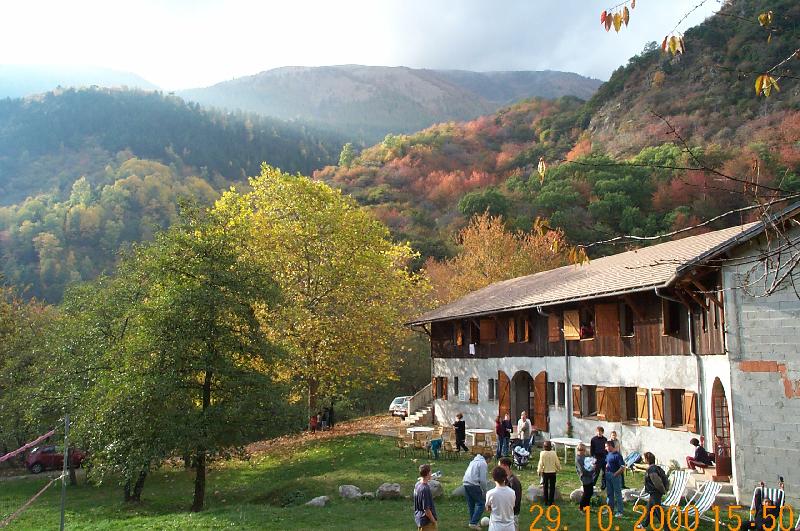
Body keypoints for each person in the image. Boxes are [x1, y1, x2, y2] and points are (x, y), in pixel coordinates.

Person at [638, 452, 669, 529]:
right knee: (649, 509)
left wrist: (662, 490)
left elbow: (657, 482)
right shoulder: (656, 468)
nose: (643, 460)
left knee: (658, 511)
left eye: (644, 458)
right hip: (654, 493)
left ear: (647, 459)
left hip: (656, 492)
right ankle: (644, 524)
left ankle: (667, 528)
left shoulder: (652, 470)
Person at [463, 452, 491, 529]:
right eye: (489, 461)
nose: (489, 463)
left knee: (471, 504)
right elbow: (482, 480)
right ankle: (473, 522)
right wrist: (485, 491)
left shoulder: (473, 461)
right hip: (473, 484)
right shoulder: (483, 463)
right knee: (481, 504)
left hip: (466, 483)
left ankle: (472, 522)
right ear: (488, 459)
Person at [485, 465, 516, 531]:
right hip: (510, 526)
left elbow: (488, 508)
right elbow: (512, 506)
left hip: (495, 526)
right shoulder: (512, 492)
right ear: (505, 477)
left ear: (493, 479)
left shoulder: (490, 493)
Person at [499, 457, 522, 531]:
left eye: (499, 466)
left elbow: (516, 500)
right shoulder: (506, 479)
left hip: (512, 514)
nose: (498, 468)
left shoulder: (514, 482)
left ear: (505, 466)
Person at [414, 463, 438, 530]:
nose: (431, 473)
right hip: (427, 522)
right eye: (431, 471)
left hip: (419, 519)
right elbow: (426, 509)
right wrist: (434, 521)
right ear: (428, 473)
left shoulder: (417, 484)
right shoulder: (425, 489)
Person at [537, 440, 561, 506]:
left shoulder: (542, 453)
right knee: (552, 487)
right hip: (553, 472)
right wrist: (559, 468)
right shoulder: (553, 453)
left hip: (545, 472)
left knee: (545, 487)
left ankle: (545, 501)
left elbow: (540, 463)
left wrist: (539, 470)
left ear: (544, 447)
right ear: (551, 447)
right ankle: (551, 501)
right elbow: (557, 462)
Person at [605, 440, 625, 517]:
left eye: (606, 446)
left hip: (615, 476)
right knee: (609, 494)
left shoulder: (618, 455)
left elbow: (622, 467)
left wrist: (615, 474)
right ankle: (609, 510)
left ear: (610, 446)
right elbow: (608, 462)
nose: (605, 448)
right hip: (608, 475)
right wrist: (606, 466)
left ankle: (620, 512)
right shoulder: (608, 454)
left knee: (617, 494)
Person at [575, 442, 595, 510]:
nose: (582, 452)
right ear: (578, 450)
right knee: (586, 493)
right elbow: (582, 470)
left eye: (583, 450)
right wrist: (590, 472)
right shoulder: (578, 459)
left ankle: (587, 507)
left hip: (590, 476)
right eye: (580, 450)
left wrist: (592, 466)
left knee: (590, 492)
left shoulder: (584, 457)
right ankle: (581, 507)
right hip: (585, 477)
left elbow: (588, 464)